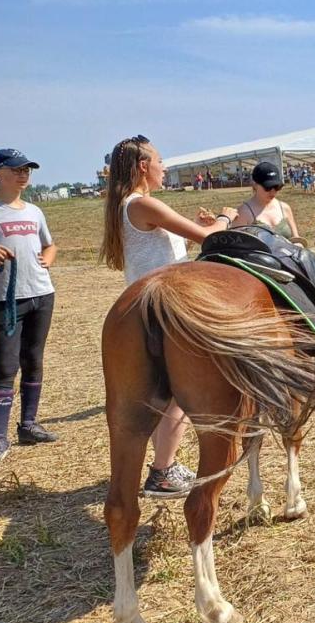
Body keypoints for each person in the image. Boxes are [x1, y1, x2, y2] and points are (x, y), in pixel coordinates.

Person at [98, 135, 238, 493]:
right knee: (177, 393)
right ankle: (163, 469)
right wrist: (226, 217)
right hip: (168, 304)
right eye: (160, 160)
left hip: (145, 302)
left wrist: (192, 229)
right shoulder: (145, 204)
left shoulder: (127, 207)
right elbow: (209, 236)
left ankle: (164, 467)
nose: (165, 167)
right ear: (143, 166)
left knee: (162, 395)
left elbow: (166, 246)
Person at [0, 150, 59, 466]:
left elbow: (50, 244)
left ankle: (28, 425)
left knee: (33, 359)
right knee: (5, 366)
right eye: (16, 169)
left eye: (27, 169)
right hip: (5, 298)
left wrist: (50, 258)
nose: (23, 174)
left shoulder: (34, 211)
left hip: (42, 294)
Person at [233, 161, 300, 238]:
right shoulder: (243, 213)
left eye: (276, 187)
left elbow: (296, 238)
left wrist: (298, 244)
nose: (273, 191)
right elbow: (237, 247)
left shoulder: (284, 208)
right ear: (254, 185)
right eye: (267, 187)